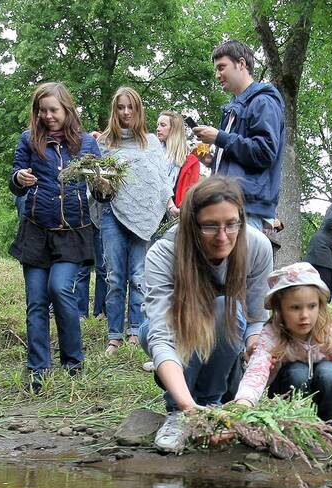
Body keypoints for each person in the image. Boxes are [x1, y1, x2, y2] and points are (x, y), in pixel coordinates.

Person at [141, 176, 274, 454]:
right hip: (175, 332)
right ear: (191, 224)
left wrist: (254, 343)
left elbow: (256, 317)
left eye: (231, 224)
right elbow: (161, 336)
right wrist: (187, 407)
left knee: (227, 307)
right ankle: (180, 412)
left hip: (227, 331)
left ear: (241, 218)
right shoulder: (164, 252)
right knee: (193, 319)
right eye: (210, 226)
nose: (223, 236)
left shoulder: (257, 247)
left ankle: (212, 405)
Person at [9, 81, 104, 390]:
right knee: (36, 301)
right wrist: (19, 179)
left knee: (60, 290)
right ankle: (38, 369)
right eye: (42, 111)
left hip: (72, 233)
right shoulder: (28, 140)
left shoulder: (87, 143)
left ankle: (73, 363)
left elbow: (103, 191)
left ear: (67, 109)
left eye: (53, 110)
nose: (48, 116)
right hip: (36, 231)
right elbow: (15, 178)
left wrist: (105, 185)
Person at [234, 262, 332, 430]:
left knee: (329, 372)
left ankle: (327, 428)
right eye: (295, 308)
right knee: (297, 373)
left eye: (311, 306)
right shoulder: (272, 334)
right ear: (280, 309)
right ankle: (288, 427)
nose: (304, 315)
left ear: (320, 305)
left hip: (321, 383)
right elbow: (256, 372)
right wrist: (242, 408)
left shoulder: (327, 333)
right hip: (286, 388)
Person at [97, 87, 170, 353]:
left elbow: (161, 181)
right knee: (115, 276)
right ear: (114, 110)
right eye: (121, 107)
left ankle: (134, 331)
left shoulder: (149, 142)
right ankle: (114, 334)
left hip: (142, 218)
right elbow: (95, 183)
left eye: (131, 107)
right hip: (112, 214)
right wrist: (100, 183)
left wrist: (170, 205)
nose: (126, 112)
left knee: (139, 276)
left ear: (138, 110)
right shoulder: (104, 143)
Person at [191, 40, 285, 231]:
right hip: (226, 203)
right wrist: (211, 160)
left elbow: (264, 152)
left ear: (241, 63)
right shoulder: (234, 109)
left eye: (221, 67)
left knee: (241, 262)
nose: (218, 75)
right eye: (216, 69)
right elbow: (239, 155)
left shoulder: (263, 102)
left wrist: (219, 138)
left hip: (245, 208)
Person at [157, 110, 201, 217]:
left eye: (163, 125)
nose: (158, 129)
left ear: (174, 130)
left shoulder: (191, 162)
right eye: (158, 125)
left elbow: (189, 194)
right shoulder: (152, 153)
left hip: (173, 217)